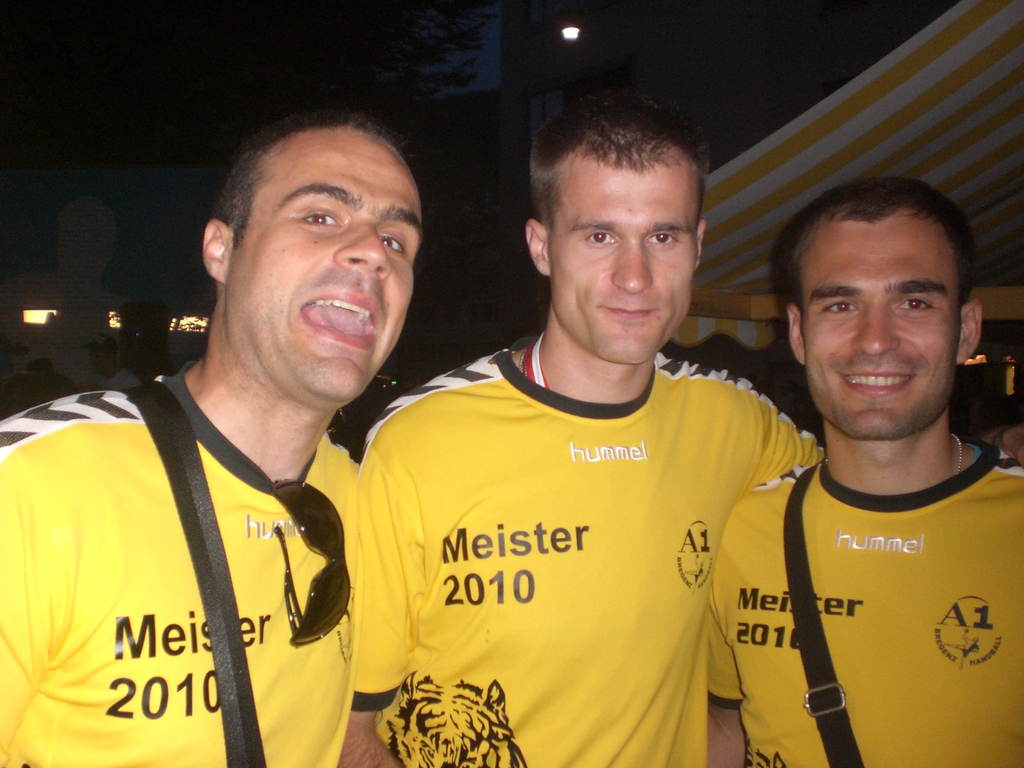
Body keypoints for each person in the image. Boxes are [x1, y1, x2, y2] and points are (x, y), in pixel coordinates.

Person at [341, 90, 821, 768]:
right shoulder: (419, 439)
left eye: (663, 236)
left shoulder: (736, 424)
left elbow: (872, 497)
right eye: (600, 236)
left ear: (699, 244)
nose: (635, 277)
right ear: (541, 247)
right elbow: (349, 731)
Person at [0, 110, 422, 767]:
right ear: (221, 249)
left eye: (397, 239)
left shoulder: (365, 497)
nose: (374, 251)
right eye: (320, 216)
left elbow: (343, 737)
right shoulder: (35, 483)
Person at [707, 177, 1024, 767]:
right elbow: (731, 728)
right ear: (798, 333)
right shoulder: (742, 531)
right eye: (841, 304)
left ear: (966, 329)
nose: (875, 341)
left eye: (914, 302)